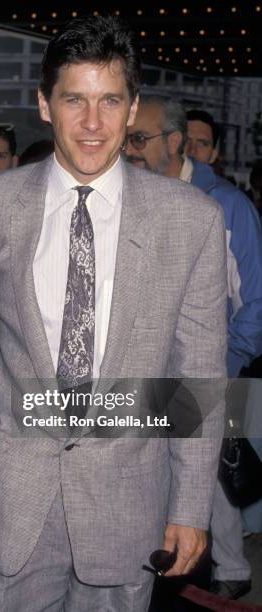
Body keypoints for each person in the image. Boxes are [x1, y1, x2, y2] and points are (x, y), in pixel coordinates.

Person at [0, 15, 227, 612]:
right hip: (13, 502)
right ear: (45, 105)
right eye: (74, 100)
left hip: (128, 508)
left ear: (133, 109)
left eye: (110, 101)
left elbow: (198, 376)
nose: (91, 123)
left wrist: (188, 506)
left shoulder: (191, 222)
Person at [125, 95, 262, 600]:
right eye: (127, 138)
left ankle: (224, 574)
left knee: (203, 483)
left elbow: (256, 302)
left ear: (175, 143)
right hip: (143, 378)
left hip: (205, 374)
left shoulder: (225, 206)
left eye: (139, 138)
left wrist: (216, 375)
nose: (130, 148)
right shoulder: (127, 198)